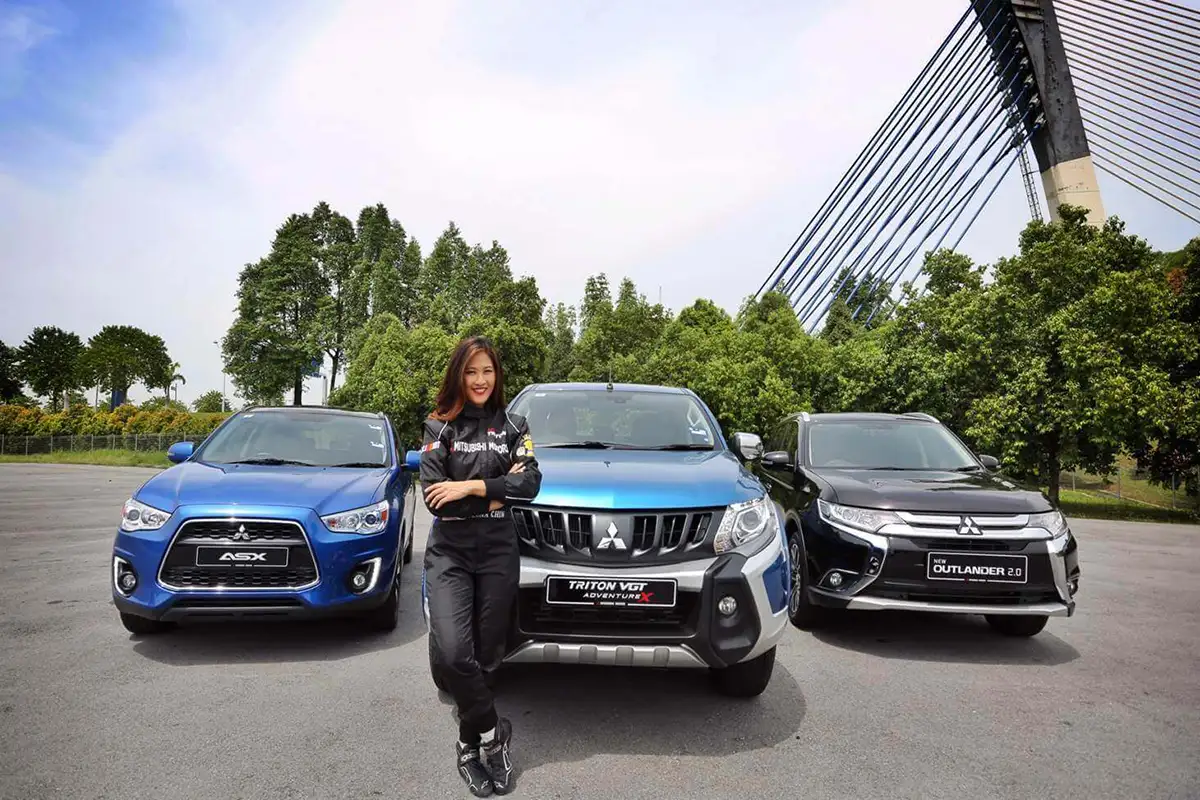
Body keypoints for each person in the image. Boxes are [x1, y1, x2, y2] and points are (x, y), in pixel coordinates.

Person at [420, 335, 542, 797]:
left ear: (497, 375)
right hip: (450, 552)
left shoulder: (514, 425)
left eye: (487, 371)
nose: (479, 380)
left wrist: (469, 487)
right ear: (459, 375)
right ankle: (494, 732)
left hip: (497, 549)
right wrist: (497, 489)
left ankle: (469, 748)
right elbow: (436, 500)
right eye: (471, 371)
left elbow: (530, 483)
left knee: (489, 656)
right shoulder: (438, 427)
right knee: (454, 653)